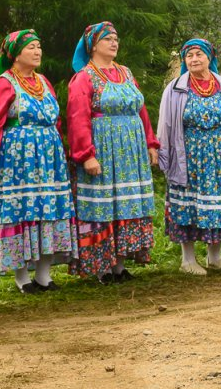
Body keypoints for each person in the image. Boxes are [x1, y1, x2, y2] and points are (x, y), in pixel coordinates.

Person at [0, 30, 77, 292]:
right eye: (31, 48)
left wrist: (58, 150)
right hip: (17, 159)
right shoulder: (4, 83)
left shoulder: (43, 82)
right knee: (22, 211)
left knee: (48, 209)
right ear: (15, 54)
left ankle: (44, 274)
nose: (38, 52)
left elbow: (55, 120)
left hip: (48, 160)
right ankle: (22, 277)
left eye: (39, 46)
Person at [67, 21, 159, 283]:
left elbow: (141, 110)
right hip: (104, 149)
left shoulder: (126, 73)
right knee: (105, 206)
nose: (114, 43)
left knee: (125, 204)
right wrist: (86, 154)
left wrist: (151, 143)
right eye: (108, 39)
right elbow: (77, 118)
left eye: (116, 38)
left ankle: (119, 264)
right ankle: (101, 267)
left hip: (131, 150)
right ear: (93, 45)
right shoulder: (84, 77)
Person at [157, 38, 221, 275]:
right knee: (189, 206)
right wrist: (163, 156)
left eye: (199, 54)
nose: (194, 59)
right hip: (189, 156)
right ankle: (188, 260)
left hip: (220, 156)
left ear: (209, 57)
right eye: (189, 56)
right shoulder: (176, 88)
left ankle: (214, 257)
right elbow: (165, 125)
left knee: (217, 205)